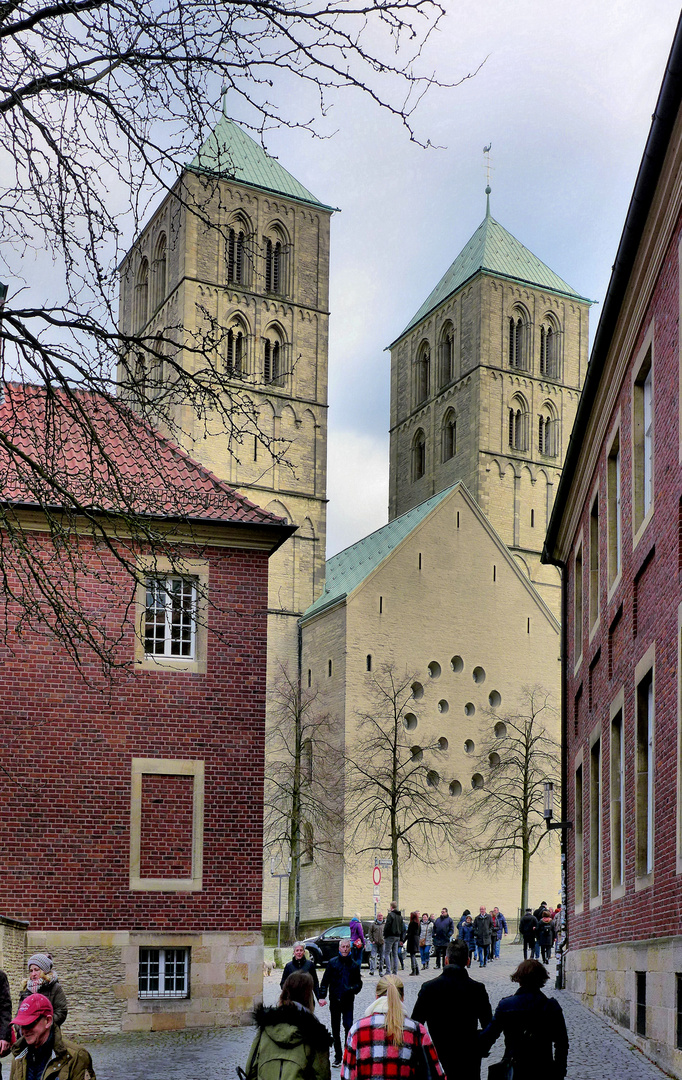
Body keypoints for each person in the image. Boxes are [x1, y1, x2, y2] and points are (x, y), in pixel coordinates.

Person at [412, 939, 491, 1080]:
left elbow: (416, 1025)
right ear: (468, 961)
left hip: (437, 1055)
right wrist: (480, 1047)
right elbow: (489, 1026)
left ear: (446, 960)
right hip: (468, 1057)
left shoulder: (429, 988)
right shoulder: (477, 989)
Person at [342, 974, 443, 1080]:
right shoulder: (416, 1030)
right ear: (402, 998)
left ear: (376, 997)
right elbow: (436, 1073)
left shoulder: (357, 1030)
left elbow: (347, 1074)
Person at [479, 960, 568, 1080]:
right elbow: (561, 1043)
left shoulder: (506, 1005)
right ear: (542, 979)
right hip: (543, 1068)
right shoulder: (551, 1006)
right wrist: (559, 1070)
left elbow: (489, 1036)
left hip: (514, 1069)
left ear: (519, 978)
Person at [246, 971, 332, 1080]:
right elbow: (322, 1076)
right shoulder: (316, 1034)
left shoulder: (266, 1025)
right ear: (308, 996)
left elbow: (250, 1069)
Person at [9, 994, 95, 1080]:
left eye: (30, 1023)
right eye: (22, 1025)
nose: (24, 1030)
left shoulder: (76, 1057)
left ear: (48, 1021)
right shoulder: (18, 1056)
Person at [319, 939, 362, 1067]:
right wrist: (322, 996)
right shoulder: (332, 963)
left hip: (348, 1001)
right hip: (335, 1000)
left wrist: (351, 990)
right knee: (335, 1029)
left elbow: (358, 984)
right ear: (339, 948)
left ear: (350, 949)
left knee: (348, 1027)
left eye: (347, 947)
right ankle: (338, 1056)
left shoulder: (354, 965)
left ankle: (347, 1055)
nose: (344, 949)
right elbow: (325, 981)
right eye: (342, 947)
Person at [18, 955, 67, 1028]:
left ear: (45, 971)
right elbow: (19, 1013)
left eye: (36, 970)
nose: (33, 974)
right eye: (31, 971)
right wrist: (20, 1028)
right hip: (27, 1034)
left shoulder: (55, 988)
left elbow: (61, 1012)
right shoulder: (26, 989)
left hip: (48, 1034)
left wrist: (43, 1025)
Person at [383, 902, 404, 976]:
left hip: (390, 936)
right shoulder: (400, 916)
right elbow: (402, 928)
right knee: (395, 954)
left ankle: (388, 970)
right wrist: (401, 938)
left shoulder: (390, 915)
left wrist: (384, 935)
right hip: (397, 936)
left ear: (391, 907)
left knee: (387, 953)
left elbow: (387, 926)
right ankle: (395, 971)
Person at [405, 911, 421, 976]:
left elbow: (409, 933)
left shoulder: (412, 923)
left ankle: (414, 970)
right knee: (413, 955)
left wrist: (403, 940)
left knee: (412, 956)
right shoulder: (418, 923)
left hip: (412, 940)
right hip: (416, 940)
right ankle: (417, 970)